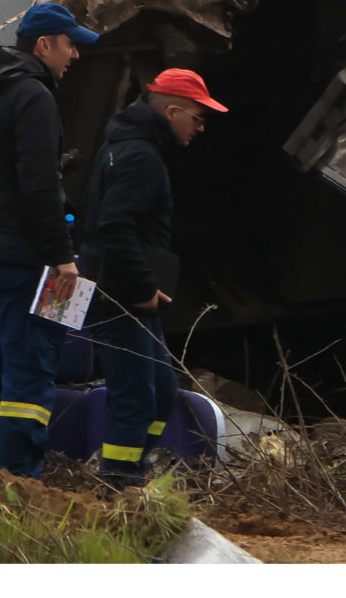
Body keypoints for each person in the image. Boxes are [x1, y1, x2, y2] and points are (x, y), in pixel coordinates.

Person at [0, 1, 101, 478]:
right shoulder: (35, 95)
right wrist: (62, 256)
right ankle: (19, 486)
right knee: (29, 370)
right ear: (43, 46)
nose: (73, 56)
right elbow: (40, 185)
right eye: (69, 45)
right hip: (24, 261)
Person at [80, 66, 226, 487]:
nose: (201, 127)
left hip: (123, 292)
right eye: (198, 117)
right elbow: (114, 226)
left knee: (161, 392)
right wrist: (142, 287)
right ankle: (118, 484)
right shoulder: (140, 157)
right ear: (173, 110)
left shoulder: (120, 146)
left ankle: (130, 470)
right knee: (138, 397)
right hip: (120, 296)